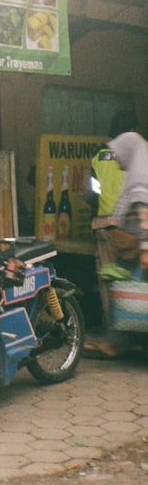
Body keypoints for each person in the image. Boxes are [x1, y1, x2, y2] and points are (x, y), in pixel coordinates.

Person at [85, 128, 148, 358]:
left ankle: (114, 340)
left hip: (117, 231)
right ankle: (122, 340)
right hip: (127, 235)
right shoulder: (140, 166)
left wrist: (144, 249)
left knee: (122, 288)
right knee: (132, 289)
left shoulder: (138, 176)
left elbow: (91, 193)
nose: (118, 159)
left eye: (120, 153)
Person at [88, 110, 138, 329]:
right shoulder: (139, 155)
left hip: (104, 224)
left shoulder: (98, 156)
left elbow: (92, 194)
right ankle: (134, 326)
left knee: (108, 277)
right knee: (134, 277)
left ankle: (113, 328)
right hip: (132, 224)